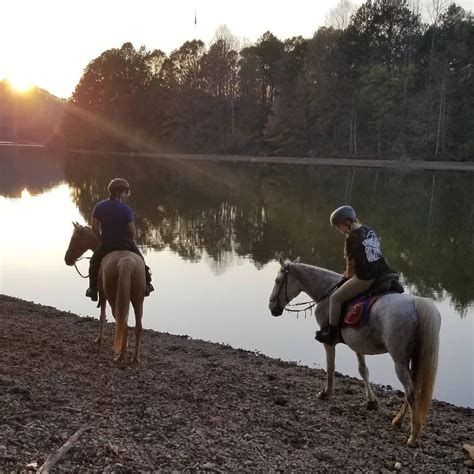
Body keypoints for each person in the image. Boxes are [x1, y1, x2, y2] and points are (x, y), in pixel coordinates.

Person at [316, 205, 393, 345]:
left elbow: (350, 271)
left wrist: (343, 279)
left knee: (335, 298)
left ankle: (331, 334)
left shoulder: (351, 239)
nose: (339, 230)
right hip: (383, 273)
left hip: (366, 278)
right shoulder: (368, 230)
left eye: (339, 226)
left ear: (347, 222)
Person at [85, 178, 154, 301]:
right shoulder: (125, 209)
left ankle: (93, 290)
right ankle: (147, 285)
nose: (127, 194)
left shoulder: (99, 206)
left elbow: (94, 226)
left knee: (94, 263)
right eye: (125, 192)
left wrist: (101, 239)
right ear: (117, 192)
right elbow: (132, 231)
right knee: (142, 262)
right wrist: (130, 239)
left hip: (107, 244)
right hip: (125, 244)